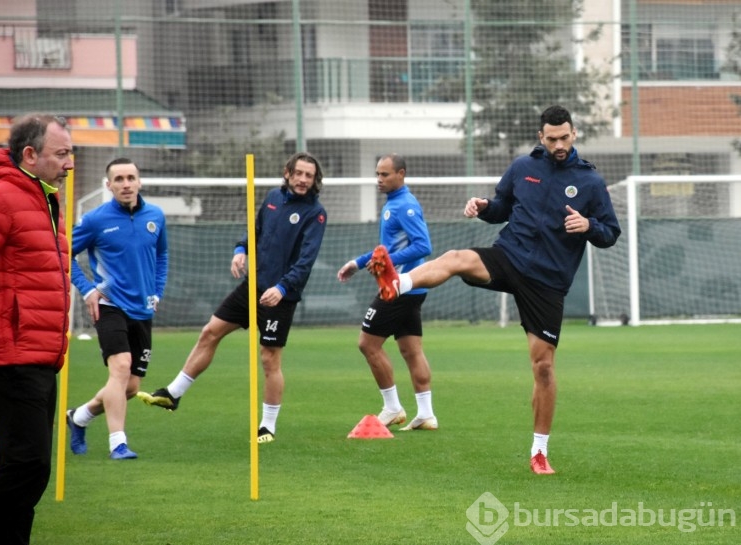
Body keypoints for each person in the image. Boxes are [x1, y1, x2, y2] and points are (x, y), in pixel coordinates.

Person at [367, 106, 621, 474]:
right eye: (552, 138)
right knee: (456, 257)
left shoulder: (591, 182)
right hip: (509, 255)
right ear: (541, 137)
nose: (559, 144)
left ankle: (538, 452)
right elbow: (502, 207)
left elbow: (610, 233)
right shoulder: (523, 168)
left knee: (544, 367)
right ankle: (398, 283)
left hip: (548, 281)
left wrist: (589, 225)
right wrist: (484, 206)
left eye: (565, 137)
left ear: (574, 134)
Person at [138, 152, 327, 444]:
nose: (303, 180)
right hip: (252, 287)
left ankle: (267, 426)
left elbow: (306, 260)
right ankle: (172, 394)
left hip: (281, 296)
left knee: (269, 359)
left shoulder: (316, 213)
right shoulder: (273, 197)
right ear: (287, 172)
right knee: (210, 332)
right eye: (299, 173)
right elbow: (256, 230)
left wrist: (283, 288)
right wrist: (241, 249)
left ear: (315, 180)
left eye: (309, 176)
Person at [0, 114, 73, 545]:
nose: (70, 164)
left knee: (28, 471)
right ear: (30, 155)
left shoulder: (45, 199)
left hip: (42, 356)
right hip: (11, 357)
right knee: (28, 465)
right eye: (61, 154)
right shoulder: (2, 197)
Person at [66, 158, 168, 460]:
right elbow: (64, 254)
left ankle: (80, 417)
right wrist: (87, 290)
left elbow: (162, 256)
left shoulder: (156, 216)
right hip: (109, 305)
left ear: (139, 181)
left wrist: (157, 292)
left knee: (131, 386)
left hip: (143, 309)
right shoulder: (95, 220)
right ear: (108, 185)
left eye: (130, 178)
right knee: (120, 368)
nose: (126, 184)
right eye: (119, 179)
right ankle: (118, 443)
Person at [337, 154, 437, 431]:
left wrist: (389, 264)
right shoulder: (394, 203)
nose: (379, 180)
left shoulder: (405, 206)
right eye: (377, 174)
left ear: (401, 174)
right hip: (410, 287)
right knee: (410, 350)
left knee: (367, 344)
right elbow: (386, 249)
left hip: (399, 287)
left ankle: (392, 408)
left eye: (385, 174)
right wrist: (357, 263)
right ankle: (427, 414)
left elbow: (423, 246)